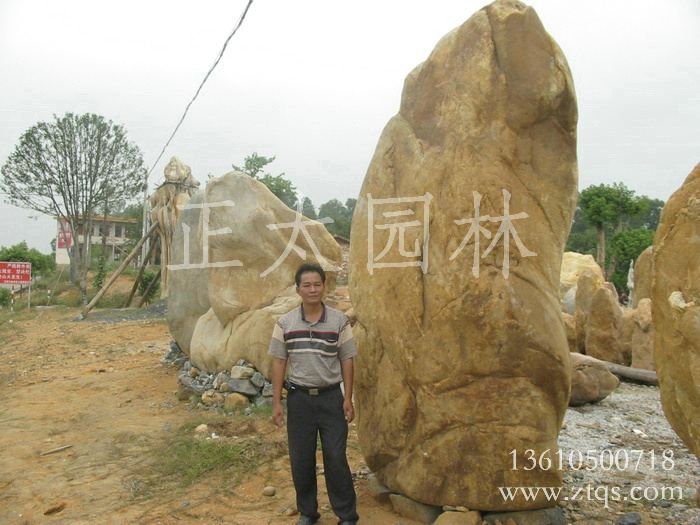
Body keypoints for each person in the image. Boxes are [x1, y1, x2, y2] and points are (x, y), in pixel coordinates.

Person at [269, 262, 359, 525]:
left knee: (336, 458)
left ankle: (346, 515)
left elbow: (347, 360)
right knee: (301, 460)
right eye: (306, 285)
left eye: (317, 284)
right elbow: (278, 362)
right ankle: (308, 513)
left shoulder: (339, 321)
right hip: (299, 400)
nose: (312, 289)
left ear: (324, 287)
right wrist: (277, 402)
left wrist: (347, 398)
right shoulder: (284, 323)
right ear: (298, 289)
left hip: (331, 399)